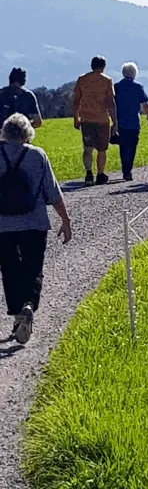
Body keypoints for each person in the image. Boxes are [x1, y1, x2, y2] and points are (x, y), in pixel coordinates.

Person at [0, 113, 71, 345]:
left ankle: (17, 315)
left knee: (9, 269)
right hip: (34, 222)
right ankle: (29, 305)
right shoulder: (37, 155)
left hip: (3, 225)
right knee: (33, 268)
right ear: (27, 134)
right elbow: (53, 192)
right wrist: (65, 220)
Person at [73, 56, 117, 186]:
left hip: (86, 119)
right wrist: (114, 120)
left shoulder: (82, 80)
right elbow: (110, 102)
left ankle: (88, 173)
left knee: (87, 148)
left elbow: (76, 101)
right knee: (102, 149)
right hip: (102, 119)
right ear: (103, 66)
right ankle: (100, 174)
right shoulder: (107, 81)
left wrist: (76, 117)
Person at [114, 63, 148, 181]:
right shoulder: (138, 87)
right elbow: (145, 104)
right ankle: (128, 171)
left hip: (120, 122)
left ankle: (125, 170)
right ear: (134, 73)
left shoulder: (116, 87)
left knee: (123, 147)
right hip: (134, 122)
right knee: (132, 147)